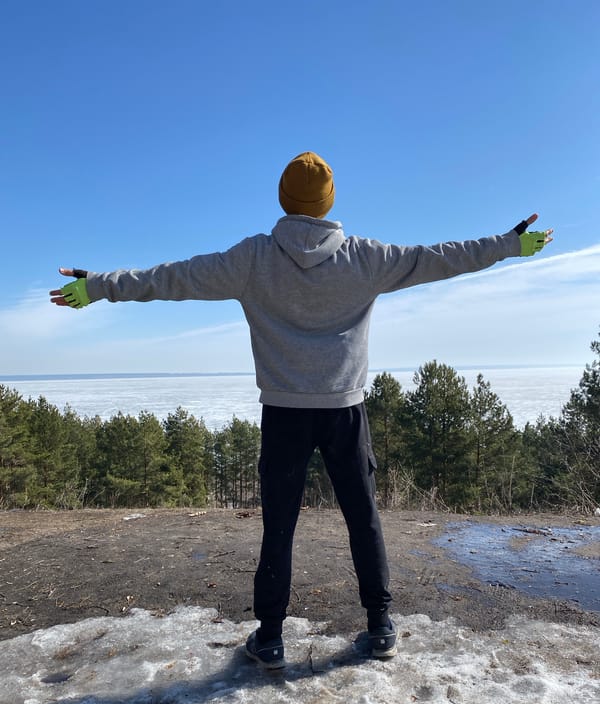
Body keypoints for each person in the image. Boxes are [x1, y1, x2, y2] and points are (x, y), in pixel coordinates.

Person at [50, 151, 553, 669]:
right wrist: (510, 245)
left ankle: (269, 637)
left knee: (280, 525)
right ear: (328, 201)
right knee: (364, 518)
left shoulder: (252, 260)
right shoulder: (365, 258)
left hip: (284, 413)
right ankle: (380, 627)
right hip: (345, 412)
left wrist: (97, 287)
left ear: (284, 200)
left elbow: (173, 277)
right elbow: (443, 256)